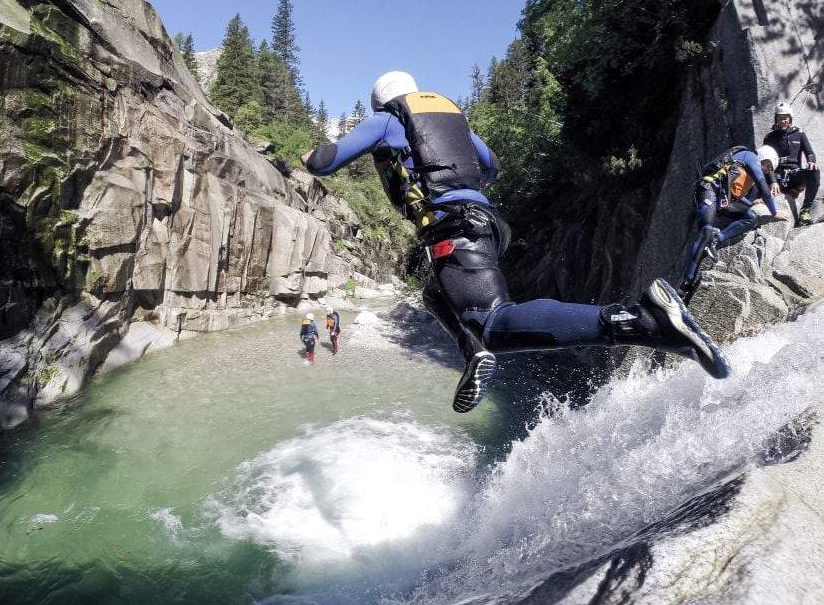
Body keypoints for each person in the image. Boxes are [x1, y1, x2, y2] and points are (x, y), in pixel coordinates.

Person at [300, 71, 730, 412]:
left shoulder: (389, 119)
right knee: (435, 293)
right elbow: (492, 166)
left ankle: (641, 321)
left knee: (493, 322)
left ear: (382, 99)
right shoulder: (449, 119)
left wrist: (307, 157)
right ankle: (474, 354)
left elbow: (324, 162)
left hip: (454, 227)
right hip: (483, 221)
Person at [679, 144, 786, 301]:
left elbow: (736, 194)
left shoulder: (750, 172)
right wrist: (774, 212)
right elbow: (764, 187)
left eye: (770, 169)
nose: (767, 170)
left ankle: (718, 239)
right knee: (705, 232)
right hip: (709, 190)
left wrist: (752, 204)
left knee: (751, 217)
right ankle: (686, 284)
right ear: (762, 157)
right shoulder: (750, 157)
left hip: (724, 201)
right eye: (767, 165)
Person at [763, 102, 819, 225]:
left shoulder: (799, 134)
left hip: (794, 176)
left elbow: (810, 153)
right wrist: (772, 181)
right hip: (777, 177)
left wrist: (811, 161)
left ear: (790, 118)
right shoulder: (770, 137)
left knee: (815, 172)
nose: (783, 121)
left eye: (785, 118)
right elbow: (766, 162)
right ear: (776, 119)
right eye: (780, 118)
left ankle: (805, 210)